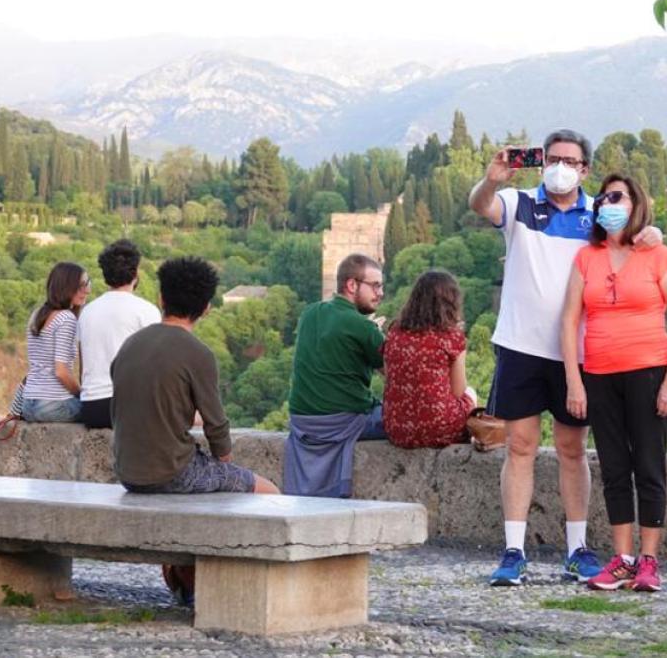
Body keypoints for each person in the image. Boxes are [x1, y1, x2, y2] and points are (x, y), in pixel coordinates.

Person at [468, 129, 663, 586]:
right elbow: (481, 205)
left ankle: (577, 549)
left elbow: (632, 237)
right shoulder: (519, 203)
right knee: (519, 448)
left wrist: (651, 234)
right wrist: (490, 180)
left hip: (575, 353)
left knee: (573, 450)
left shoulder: (596, 215)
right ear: (542, 162)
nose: (560, 166)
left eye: (570, 161)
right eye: (553, 158)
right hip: (520, 344)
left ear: (584, 169)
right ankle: (513, 550)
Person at [111, 257, 279, 607]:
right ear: (205, 308)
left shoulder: (130, 345)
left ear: (161, 298)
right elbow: (217, 425)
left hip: (128, 472)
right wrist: (225, 461)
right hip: (173, 472)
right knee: (270, 493)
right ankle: (233, 586)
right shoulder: (198, 353)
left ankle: (184, 572)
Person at [561, 174, 667, 592]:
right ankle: (622, 559)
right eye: (603, 197)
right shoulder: (587, 257)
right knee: (614, 469)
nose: (607, 202)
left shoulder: (658, 254)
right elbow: (569, 321)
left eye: (617, 196)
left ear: (636, 203)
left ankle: (649, 561)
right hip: (599, 374)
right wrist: (574, 383)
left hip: (648, 370)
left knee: (649, 467)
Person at [283, 254, 387, 498]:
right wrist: (377, 336)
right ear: (352, 285)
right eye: (375, 285)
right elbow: (395, 378)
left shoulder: (309, 313)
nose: (380, 293)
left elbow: (338, 338)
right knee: (407, 417)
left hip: (302, 423)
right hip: (342, 423)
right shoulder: (364, 328)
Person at [382, 270, 479, 449]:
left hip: (397, 429)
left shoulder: (394, 332)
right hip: (438, 429)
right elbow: (458, 392)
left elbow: (391, 378)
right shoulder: (452, 337)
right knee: (471, 394)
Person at [77, 240, 160, 429]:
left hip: (91, 407)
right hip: (127, 407)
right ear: (136, 273)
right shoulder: (147, 311)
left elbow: (83, 367)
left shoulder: (87, 312)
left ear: (105, 275)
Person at [21, 262, 90, 423]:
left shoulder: (37, 314)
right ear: (66, 287)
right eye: (81, 286)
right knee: (103, 413)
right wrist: (82, 395)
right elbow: (61, 372)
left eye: (87, 284)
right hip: (53, 405)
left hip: (28, 405)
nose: (86, 290)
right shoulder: (66, 318)